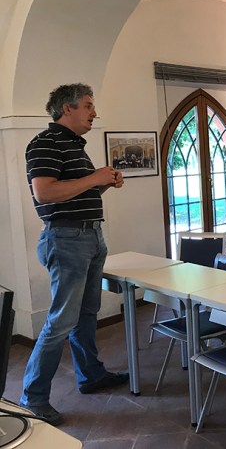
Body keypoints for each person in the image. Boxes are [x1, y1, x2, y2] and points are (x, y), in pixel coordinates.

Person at [21, 83, 128, 426]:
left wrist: (102, 184)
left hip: (90, 236)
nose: (94, 112)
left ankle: (91, 375)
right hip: (67, 239)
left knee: (86, 314)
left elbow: (73, 192)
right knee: (61, 321)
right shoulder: (46, 142)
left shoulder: (73, 146)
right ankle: (33, 397)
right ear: (66, 109)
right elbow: (45, 193)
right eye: (87, 105)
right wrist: (94, 178)